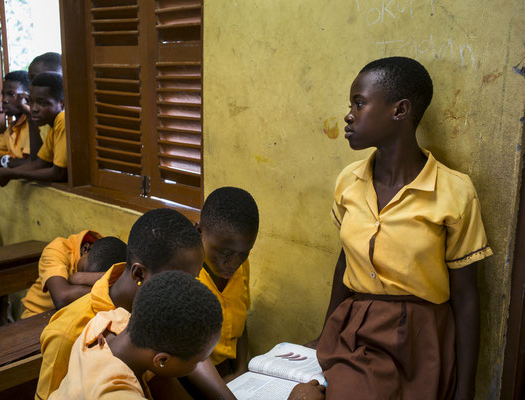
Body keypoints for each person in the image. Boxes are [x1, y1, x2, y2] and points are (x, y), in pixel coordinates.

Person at [305, 57, 493, 400]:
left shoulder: (454, 191)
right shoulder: (349, 181)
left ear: (400, 110)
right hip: (357, 331)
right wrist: (325, 332)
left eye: (359, 103)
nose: (348, 115)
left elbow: (466, 297)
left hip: (422, 341)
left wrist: (465, 388)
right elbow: (345, 261)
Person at [36, 208, 236, 400]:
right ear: (139, 273)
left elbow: (186, 354)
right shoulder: (69, 332)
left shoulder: (124, 319)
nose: (186, 288)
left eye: (193, 279)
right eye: (179, 277)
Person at [48, 270, 223, 400]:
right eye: (198, 361)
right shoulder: (116, 395)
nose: (201, 366)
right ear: (161, 360)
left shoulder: (109, 321)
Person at [0, 72, 66, 206]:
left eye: (42, 103)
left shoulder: (62, 119)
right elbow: (39, 164)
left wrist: (8, 173)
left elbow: (58, 173)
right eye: (31, 102)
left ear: (62, 104)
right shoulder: (52, 125)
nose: (34, 108)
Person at [195, 187, 259, 383]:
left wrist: (241, 369)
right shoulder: (186, 277)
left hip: (230, 371)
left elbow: (240, 322)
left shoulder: (241, 268)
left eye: (244, 253)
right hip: (195, 379)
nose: (232, 264)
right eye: (224, 253)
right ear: (200, 232)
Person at [21, 231, 128, 319]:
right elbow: (62, 298)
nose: (86, 280)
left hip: (74, 316)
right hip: (37, 316)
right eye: (83, 273)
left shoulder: (111, 253)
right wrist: (115, 289)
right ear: (85, 249)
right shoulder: (57, 250)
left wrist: (78, 278)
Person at [26, 52, 63, 155]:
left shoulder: (63, 118)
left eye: (35, 78)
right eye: (29, 79)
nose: (29, 86)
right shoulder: (44, 117)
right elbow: (40, 161)